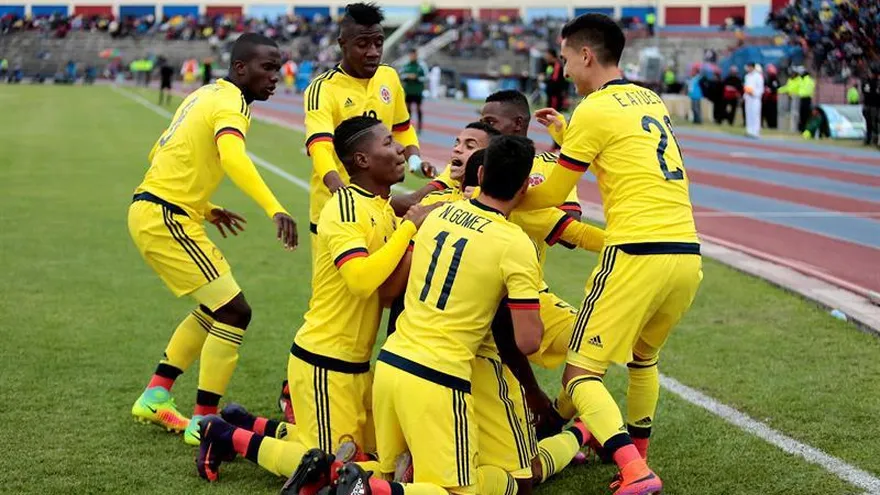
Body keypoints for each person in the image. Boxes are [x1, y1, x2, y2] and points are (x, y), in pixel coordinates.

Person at [284, 135, 547, 495]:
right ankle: (366, 487)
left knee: (394, 471)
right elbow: (528, 341)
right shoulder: (515, 243)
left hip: (392, 365)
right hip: (439, 377)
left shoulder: (435, 217)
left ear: (481, 172)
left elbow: (391, 293)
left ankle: (336, 471)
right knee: (466, 489)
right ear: (523, 188)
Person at [515, 14, 703, 495]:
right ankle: (635, 456)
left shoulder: (593, 110)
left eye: (564, 60)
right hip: (686, 253)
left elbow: (557, 188)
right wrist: (566, 136)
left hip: (636, 251)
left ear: (585, 55)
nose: (563, 71)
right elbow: (623, 152)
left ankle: (637, 473)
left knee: (580, 374)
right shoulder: (649, 98)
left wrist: (502, 195)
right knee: (644, 359)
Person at [194, 116, 431, 482]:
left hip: (354, 363)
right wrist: (410, 231)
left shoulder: (382, 208)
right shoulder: (344, 208)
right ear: (362, 160)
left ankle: (244, 422)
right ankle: (223, 434)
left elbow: (385, 294)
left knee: (371, 455)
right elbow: (361, 280)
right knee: (330, 467)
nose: (401, 148)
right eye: (388, 143)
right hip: (325, 359)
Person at [127, 33, 298, 446]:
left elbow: (160, 154)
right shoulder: (231, 103)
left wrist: (204, 207)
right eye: (267, 68)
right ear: (241, 68)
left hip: (161, 209)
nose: (275, 77)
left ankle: (155, 395)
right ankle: (204, 422)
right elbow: (233, 156)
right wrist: (275, 207)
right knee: (236, 312)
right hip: (165, 216)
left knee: (216, 307)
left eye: (278, 68)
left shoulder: (204, 94)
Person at [302, 3, 433, 248]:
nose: (373, 52)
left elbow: (402, 128)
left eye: (378, 43)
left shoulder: (389, 77)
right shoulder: (322, 89)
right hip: (335, 213)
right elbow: (320, 146)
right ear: (343, 44)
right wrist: (339, 190)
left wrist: (414, 161)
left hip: (381, 209)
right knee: (342, 286)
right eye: (363, 44)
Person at [401, 49, 427, 134]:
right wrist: (408, 76)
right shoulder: (406, 65)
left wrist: (417, 78)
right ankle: (407, 126)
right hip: (408, 91)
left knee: (418, 109)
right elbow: (401, 75)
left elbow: (426, 77)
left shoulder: (421, 65)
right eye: (411, 55)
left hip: (418, 91)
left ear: (417, 55)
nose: (412, 56)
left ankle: (419, 127)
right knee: (407, 109)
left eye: (414, 55)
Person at [743, 62, 764, 138]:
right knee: (748, 114)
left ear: (752, 67)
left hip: (755, 98)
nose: (748, 69)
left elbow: (761, 88)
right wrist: (746, 94)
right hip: (748, 98)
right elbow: (745, 86)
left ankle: (755, 132)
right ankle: (749, 130)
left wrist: (754, 93)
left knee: (755, 114)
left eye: (749, 67)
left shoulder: (758, 76)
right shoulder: (747, 76)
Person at [861, 71, 879, 147]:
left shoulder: (866, 82)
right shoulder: (873, 83)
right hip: (872, 105)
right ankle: (871, 139)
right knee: (871, 123)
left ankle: (871, 139)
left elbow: (864, 91)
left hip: (870, 105)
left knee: (872, 123)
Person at [762, 64, 779, 129]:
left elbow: (775, 88)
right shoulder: (767, 78)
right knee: (767, 113)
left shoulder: (774, 79)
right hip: (768, 99)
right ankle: (769, 124)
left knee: (772, 113)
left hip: (773, 100)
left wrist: (770, 90)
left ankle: (773, 125)